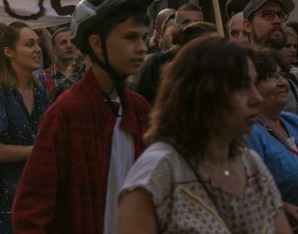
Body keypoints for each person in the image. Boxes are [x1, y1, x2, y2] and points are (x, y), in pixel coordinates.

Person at [13, 0, 153, 234]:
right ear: (97, 44)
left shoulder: (140, 110)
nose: (142, 47)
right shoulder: (66, 114)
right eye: (131, 38)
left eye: (144, 37)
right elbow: (29, 213)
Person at [117, 37, 291, 233]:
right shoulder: (158, 172)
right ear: (203, 94)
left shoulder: (251, 165)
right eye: (241, 87)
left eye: (253, 84)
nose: (256, 98)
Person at [0, 22, 48, 234]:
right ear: (8, 52)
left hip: (40, 193)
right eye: (29, 44)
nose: (38, 49)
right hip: (7, 199)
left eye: (37, 43)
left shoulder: (40, 92)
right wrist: (43, 151)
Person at [246, 49, 298, 223]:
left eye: (283, 74)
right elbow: (248, 195)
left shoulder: (292, 121)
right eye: (271, 76)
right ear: (250, 85)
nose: (283, 82)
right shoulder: (249, 131)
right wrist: (281, 206)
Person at [42, 26, 75, 94]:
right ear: (54, 50)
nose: (69, 45)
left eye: (72, 41)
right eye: (63, 42)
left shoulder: (87, 71)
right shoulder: (43, 77)